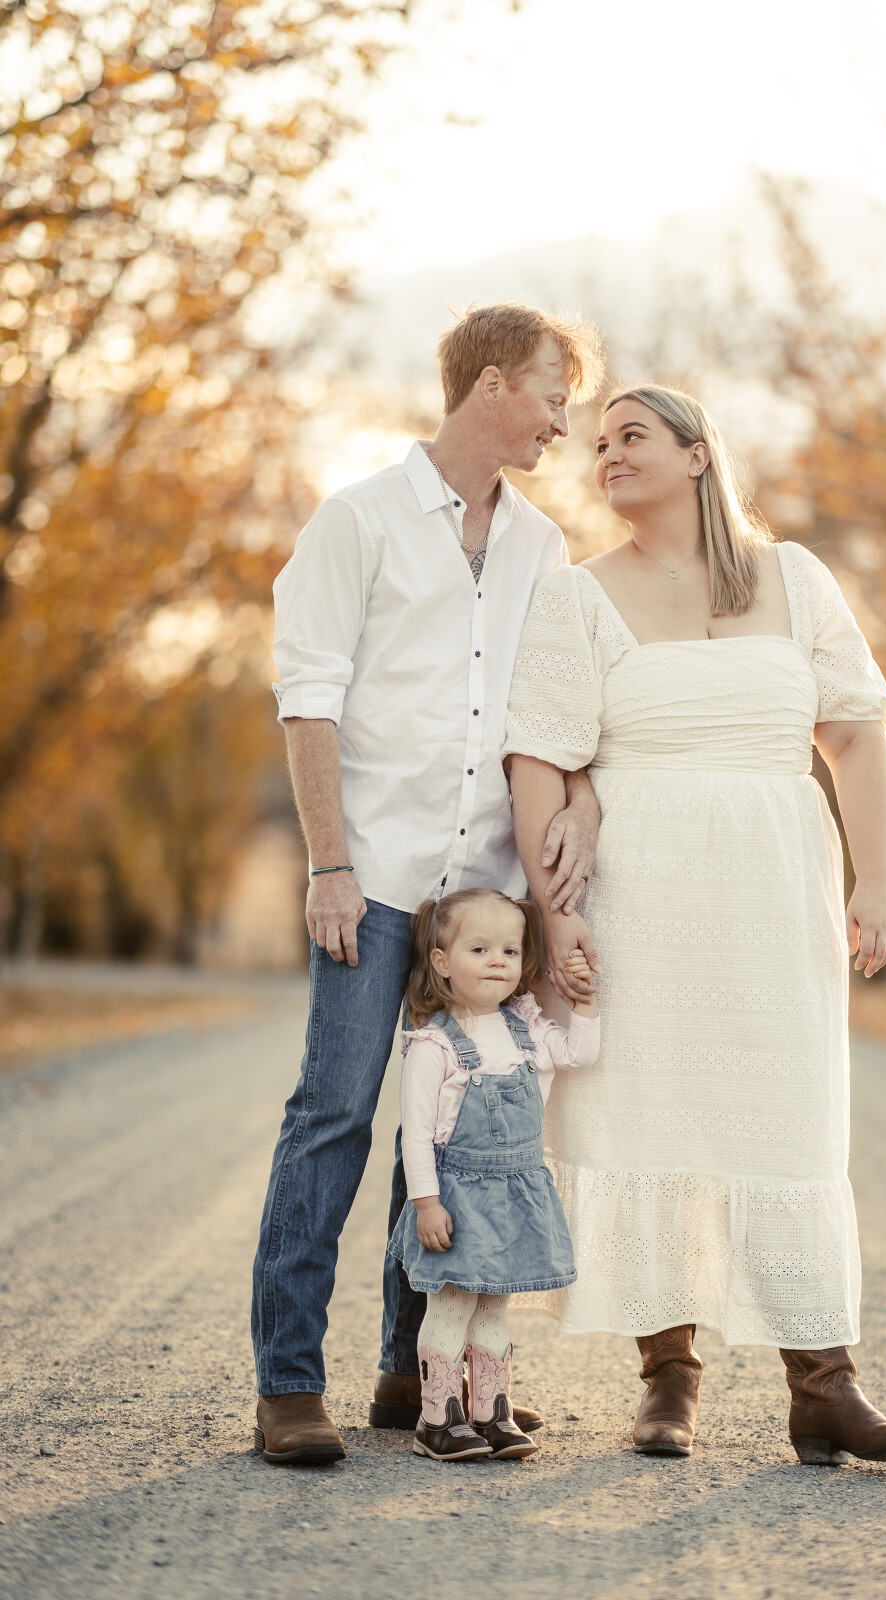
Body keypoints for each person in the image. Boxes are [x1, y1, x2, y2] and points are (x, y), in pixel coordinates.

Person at [504, 383, 886, 1465]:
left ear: (698, 455)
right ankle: (667, 1379)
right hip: (638, 890)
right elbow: (539, 762)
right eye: (598, 442)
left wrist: (877, 881)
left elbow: (856, 733)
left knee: (787, 1117)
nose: (607, 454)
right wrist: (558, 920)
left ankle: (823, 1384)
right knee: (647, 1111)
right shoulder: (576, 595)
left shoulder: (795, 577)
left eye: (632, 436)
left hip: (775, 886)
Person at [250, 304, 604, 1467]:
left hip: (484, 899)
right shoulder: (356, 521)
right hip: (376, 879)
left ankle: (416, 1371)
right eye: (552, 395)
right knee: (334, 1118)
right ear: (491, 384)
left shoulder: (542, 546)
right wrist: (329, 865)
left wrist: (578, 811)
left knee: (454, 1134)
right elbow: (309, 701)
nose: (562, 422)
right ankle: (288, 1383)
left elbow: (553, 710)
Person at [386, 888, 599, 1461]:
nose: (497, 961)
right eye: (479, 949)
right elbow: (417, 1136)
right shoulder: (433, 1045)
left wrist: (584, 1005)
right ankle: (437, 1418)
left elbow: (579, 1054)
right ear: (441, 962)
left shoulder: (526, 1030)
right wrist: (426, 1203)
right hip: (458, 1200)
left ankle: (492, 1412)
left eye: (509, 949)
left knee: (493, 1308)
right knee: (452, 1305)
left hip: (514, 1196)